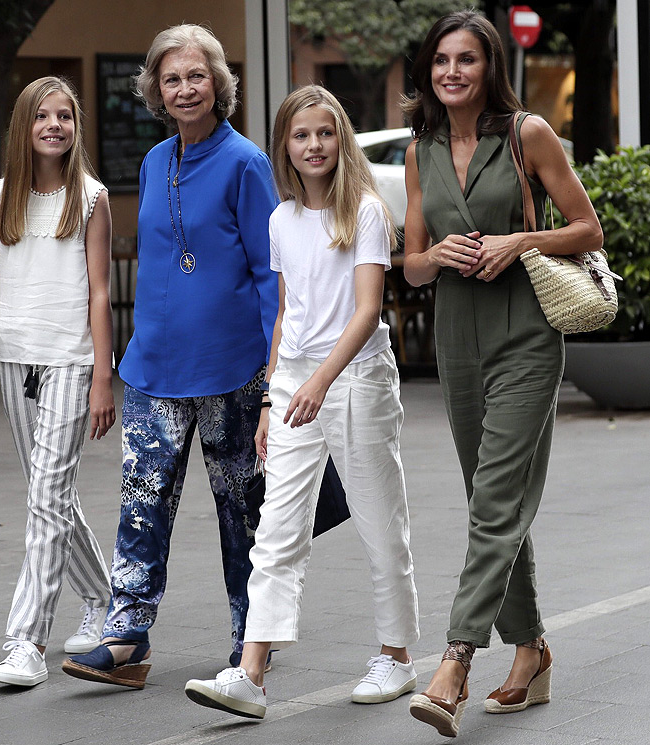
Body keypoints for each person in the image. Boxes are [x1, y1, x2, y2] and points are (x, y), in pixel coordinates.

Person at [183, 84, 420, 720]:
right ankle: (251, 675)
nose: (313, 145)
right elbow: (286, 312)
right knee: (278, 530)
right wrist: (271, 397)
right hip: (292, 383)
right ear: (285, 147)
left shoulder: (365, 211)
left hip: (358, 379)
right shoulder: (281, 219)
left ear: (340, 138)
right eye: (300, 135)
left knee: (378, 520)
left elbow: (368, 312)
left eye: (324, 132)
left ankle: (396, 657)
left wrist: (321, 381)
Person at [400, 11, 603, 738]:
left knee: (492, 500)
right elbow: (412, 260)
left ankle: (454, 658)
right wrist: (436, 257)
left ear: (489, 68)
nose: (451, 72)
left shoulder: (527, 134)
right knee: (496, 500)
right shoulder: (419, 149)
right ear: (427, 71)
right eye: (440, 61)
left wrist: (520, 238)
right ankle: (532, 648)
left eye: (466, 60)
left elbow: (587, 229)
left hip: (524, 333)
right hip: (456, 339)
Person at [61, 24, 278, 689]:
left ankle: (251, 639)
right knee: (141, 501)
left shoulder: (246, 162)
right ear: (154, 88)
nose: (183, 88)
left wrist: (274, 378)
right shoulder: (154, 162)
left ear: (218, 83)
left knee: (239, 509)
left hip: (232, 367)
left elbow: (272, 273)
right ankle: (126, 636)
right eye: (170, 77)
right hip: (152, 367)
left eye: (196, 75)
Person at [0, 76, 116, 687]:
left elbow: (100, 293)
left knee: (45, 500)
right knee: (53, 498)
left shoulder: (91, 199)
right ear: (24, 126)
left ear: (76, 128)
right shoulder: (0, 196)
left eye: (65, 116)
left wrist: (103, 375)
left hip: (70, 360)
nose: (54, 125)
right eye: (42, 115)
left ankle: (25, 642)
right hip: (14, 360)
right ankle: (105, 599)